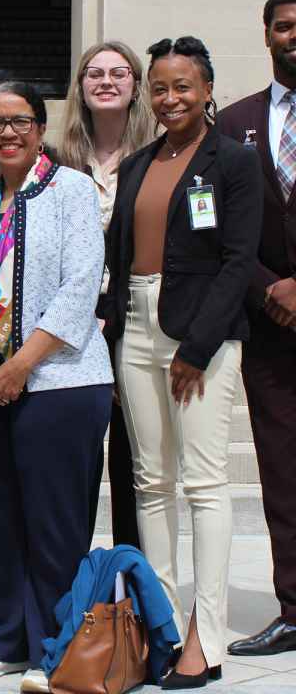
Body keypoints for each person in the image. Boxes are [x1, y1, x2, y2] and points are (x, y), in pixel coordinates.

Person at [0, 80, 113, 694]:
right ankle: (8, 641)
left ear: (41, 127)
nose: (7, 132)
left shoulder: (71, 191)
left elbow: (78, 288)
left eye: (19, 120)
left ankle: (56, 649)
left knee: (53, 525)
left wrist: (18, 368)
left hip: (59, 385)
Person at [103, 37, 261, 688]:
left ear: (206, 89)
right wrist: (115, 334)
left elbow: (238, 260)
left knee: (201, 484)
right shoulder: (140, 162)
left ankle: (207, 636)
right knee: (149, 483)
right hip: (137, 328)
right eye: (160, 88)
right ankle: (160, 624)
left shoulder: (234, 162)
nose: (171, 99)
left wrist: (197, 347)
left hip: (200, 333)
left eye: (183, 87)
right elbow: (119, 257)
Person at [219, 0, 296, 657]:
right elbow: (211, 229)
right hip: (270, 328)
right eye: (285, 26)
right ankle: (294, 609)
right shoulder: (233, 122)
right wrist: (270, 286)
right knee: (282, 473)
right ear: (267, 34)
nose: (295, 35)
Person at [59, 40, 151, 547]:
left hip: (136, 323)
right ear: (81, 87)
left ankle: (131, 589)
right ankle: (73, 589)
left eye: (119, 72)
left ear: (136, 86)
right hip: (73, 330)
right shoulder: (55, 161)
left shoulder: (157, 160)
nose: (106, 81)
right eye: (95, 73)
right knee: (75, 468)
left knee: (136, 468)